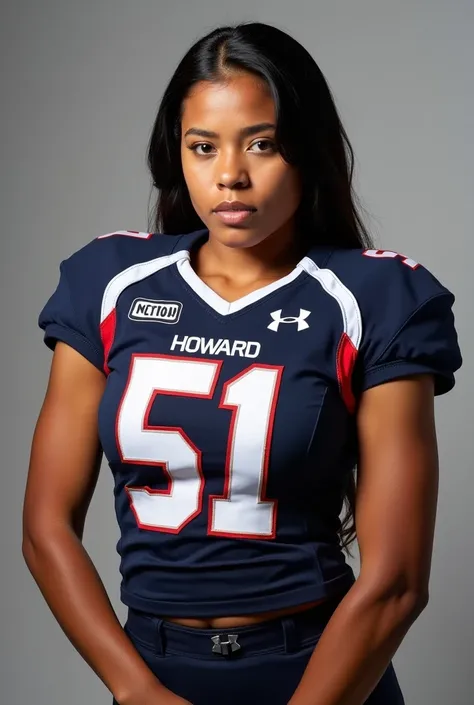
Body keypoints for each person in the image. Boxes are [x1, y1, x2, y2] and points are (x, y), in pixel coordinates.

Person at [22, 21, 462, 705]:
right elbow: (46, 526)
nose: (230, 173)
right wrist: (138, 691)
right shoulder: (109, 282)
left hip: (322, 672)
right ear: (179, 155)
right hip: (152, 669)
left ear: (307, 151)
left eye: (262, 143)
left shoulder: (375, 298)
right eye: (204, 147)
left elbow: (398, 580)